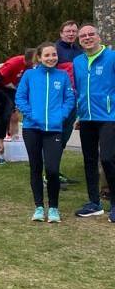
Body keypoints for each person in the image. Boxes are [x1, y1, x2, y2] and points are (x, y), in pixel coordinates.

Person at [15, 42, 75, 223]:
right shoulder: (29, 75)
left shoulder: (63, 76)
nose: (51, 58)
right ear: (39, 57)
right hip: (32, 128)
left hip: (54, 129)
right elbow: (20, 97)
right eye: (47, 55)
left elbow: (69, 99)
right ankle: (39, 207)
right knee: (36, 167)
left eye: (54, 55)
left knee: (52, 169)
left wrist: (60, 116)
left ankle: (54, 208)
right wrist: (32, 115)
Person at [72, 24, 115, 220]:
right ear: (79, 40)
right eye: (83, 36)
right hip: (87, 118)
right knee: (89, 160)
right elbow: (79, 90)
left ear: (98, 37)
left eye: (91, 34)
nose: (87, 38)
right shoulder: (78, 62)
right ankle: (94, 203)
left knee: (107, 158)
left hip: (109, 117)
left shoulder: (111, 57)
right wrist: (79, 114)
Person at [54, 21, 83, 182]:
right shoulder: (55, 50)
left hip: (73, 101)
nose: (71, 34)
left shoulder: (79, 51)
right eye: (68, 31)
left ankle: (55, 171)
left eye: (74, 31)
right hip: (58, 101)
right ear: (61, 33)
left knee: (64, 137)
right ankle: (49, 173)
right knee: (54, 137)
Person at [0, 49, 36, 138]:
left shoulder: (30, 67)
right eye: (35, 61)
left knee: (14, 114)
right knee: (4, 114)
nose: (36, 63)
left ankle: (14, 136)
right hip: (1, 88)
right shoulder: (13, 63)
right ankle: (0, 136)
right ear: (30, 60)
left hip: (12, 88)